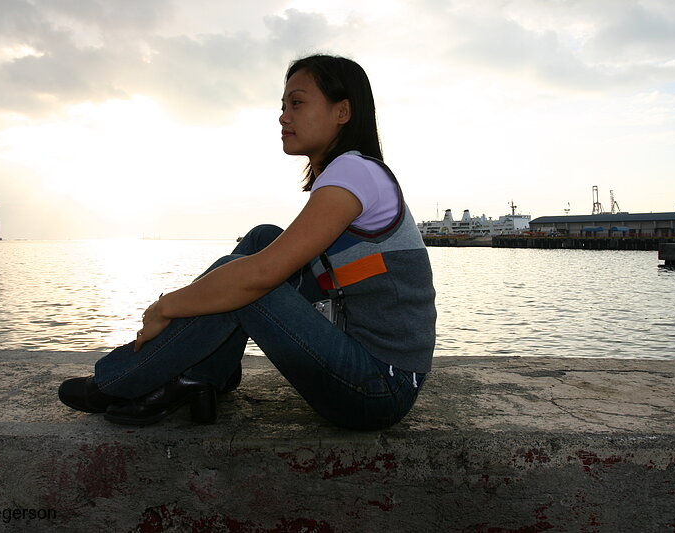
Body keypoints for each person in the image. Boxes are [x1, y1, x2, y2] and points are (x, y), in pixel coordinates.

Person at [58, 54, 437, 430]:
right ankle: (201, 377)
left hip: (381, 389)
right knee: (262, 239)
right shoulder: (350, 173)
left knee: (246, 280)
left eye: (298, 103)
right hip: (367, 372)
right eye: (283, 105)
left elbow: (262, 276)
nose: (284, 116)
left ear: (342, 112)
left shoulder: (354, 172)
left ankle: (117, 382)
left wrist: (165, 308)